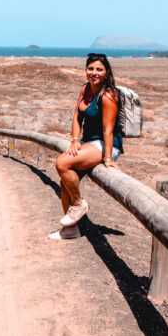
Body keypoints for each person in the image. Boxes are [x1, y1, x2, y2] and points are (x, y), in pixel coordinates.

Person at [50, 53, 123, 240]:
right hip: (88, 143)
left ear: (106, 72)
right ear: (86, 71)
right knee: (64, 182)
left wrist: (107, 158)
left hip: (106, 145)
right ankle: (71, 230)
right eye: (91, 69)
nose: (94, 73)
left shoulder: (108, 95)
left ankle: (78, 204)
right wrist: (74, 139)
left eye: (99, 69)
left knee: (62, 163)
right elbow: (77, 116)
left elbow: (108, 130)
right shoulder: (85, 89)